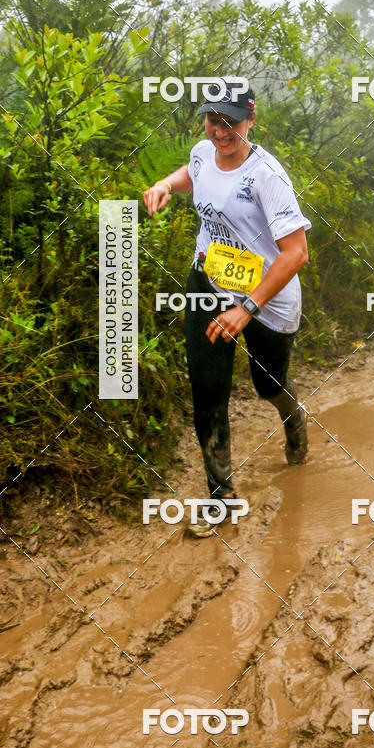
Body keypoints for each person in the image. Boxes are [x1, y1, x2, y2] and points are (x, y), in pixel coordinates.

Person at [143, 78, 311, 537]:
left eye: (230, 122)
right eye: (212, 119)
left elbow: (296, 254)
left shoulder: (267, 176)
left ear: (250, 119)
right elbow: (193, 171)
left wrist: (248, 309)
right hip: (209, 283)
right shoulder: (203, 150)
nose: (219, 130)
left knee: (267, 385)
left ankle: (293, 418)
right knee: (208, 387)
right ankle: (221, 498)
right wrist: (164, 184)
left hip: (267, 299)